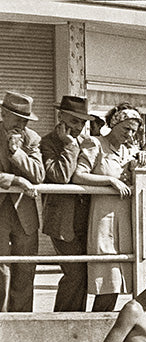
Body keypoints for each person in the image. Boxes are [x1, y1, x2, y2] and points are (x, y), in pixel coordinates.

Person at [74, 103, 141, 312]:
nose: (129, 135)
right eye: (126, 129)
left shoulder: (130, 151)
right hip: (104, 217)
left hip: (125, 218)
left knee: (119, 278)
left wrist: (138, 165)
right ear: (114, 124)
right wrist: (109, 181)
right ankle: (93, 322)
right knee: (106, 276)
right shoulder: (95, 144)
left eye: (133, 131)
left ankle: (103, 323)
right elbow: (78, 175)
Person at [40, 94, 92, 312]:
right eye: (73, 121)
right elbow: (59, 176)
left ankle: (76, 320)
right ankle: (61, 319)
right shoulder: (47, 143)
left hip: (86, 218)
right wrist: (69, 146)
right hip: (62, 221)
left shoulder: (88, 143)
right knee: (74, 273)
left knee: (85, 274)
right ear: (60, 117)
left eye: (82, 122)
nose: (78, 127)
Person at [0, 91, 44, 313]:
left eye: (25, 120)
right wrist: (15, 179)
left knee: (25, 270)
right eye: (17, 118)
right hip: (1, 213)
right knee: (2, 271)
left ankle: (23, 322)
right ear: (3, 114)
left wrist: (16, 152)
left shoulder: (32, 139)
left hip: (24, 215)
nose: (21, 124)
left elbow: (38, 175)